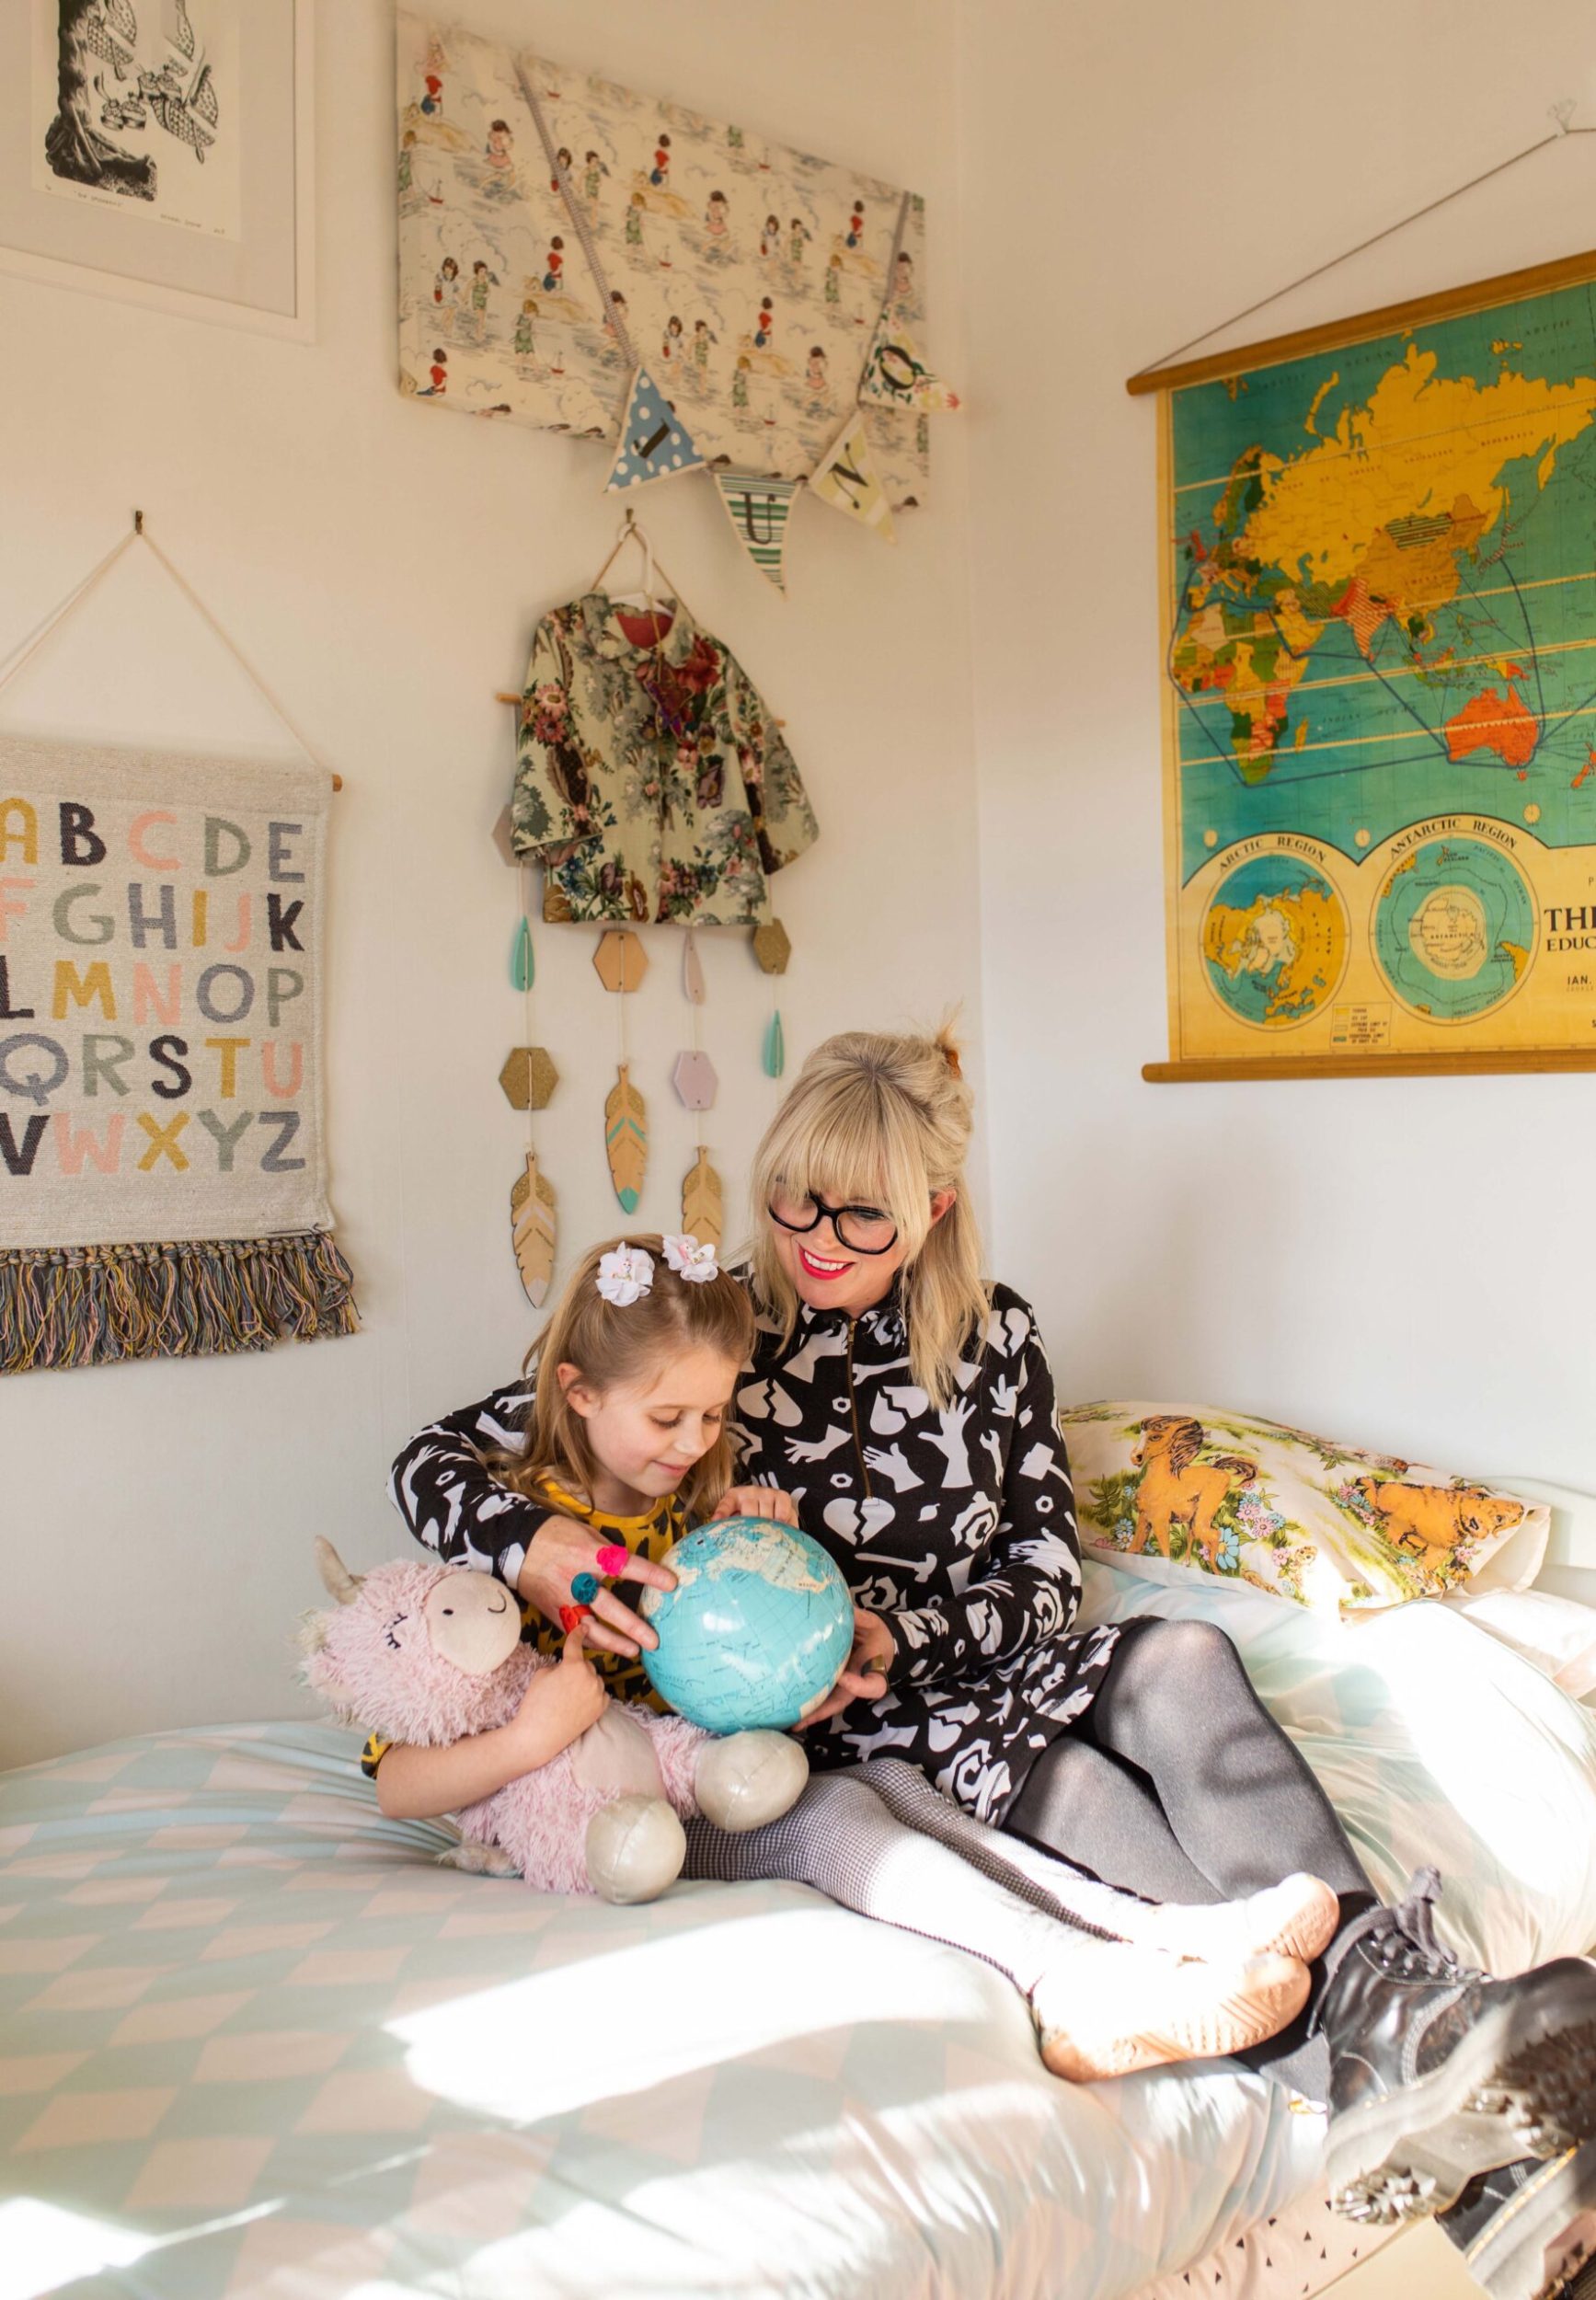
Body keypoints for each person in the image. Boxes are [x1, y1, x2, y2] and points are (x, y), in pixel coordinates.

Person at [392, 1031, 1596, 2247]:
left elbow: (1042, 1570)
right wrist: (535, 1545)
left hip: (950, 1672)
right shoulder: (711, 1323)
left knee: (1179, 1655)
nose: (814, 1236)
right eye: (791, 1194)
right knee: (1067, 1780)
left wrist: (898, 1634)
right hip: (812, 1738)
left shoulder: (992, 1339)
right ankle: (1440, 2087)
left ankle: (1414, 2021)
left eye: (860, 1215)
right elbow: (434, 1459)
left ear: (932, 1210)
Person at [379, 1232, 1332, 2085]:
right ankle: (1072, 1978)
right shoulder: (502, 1550)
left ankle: (1159, 1933)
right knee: (836, 1813)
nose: (696, 1442)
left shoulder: (688, 1511)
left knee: (892, 1789)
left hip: (703, 1772)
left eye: (713, 1418)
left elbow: (722, 1681)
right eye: (669, 1419)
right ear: (577, 1393)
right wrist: (533, 1729)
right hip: (595, 1821)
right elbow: (396, 1779)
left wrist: (782, 1631)